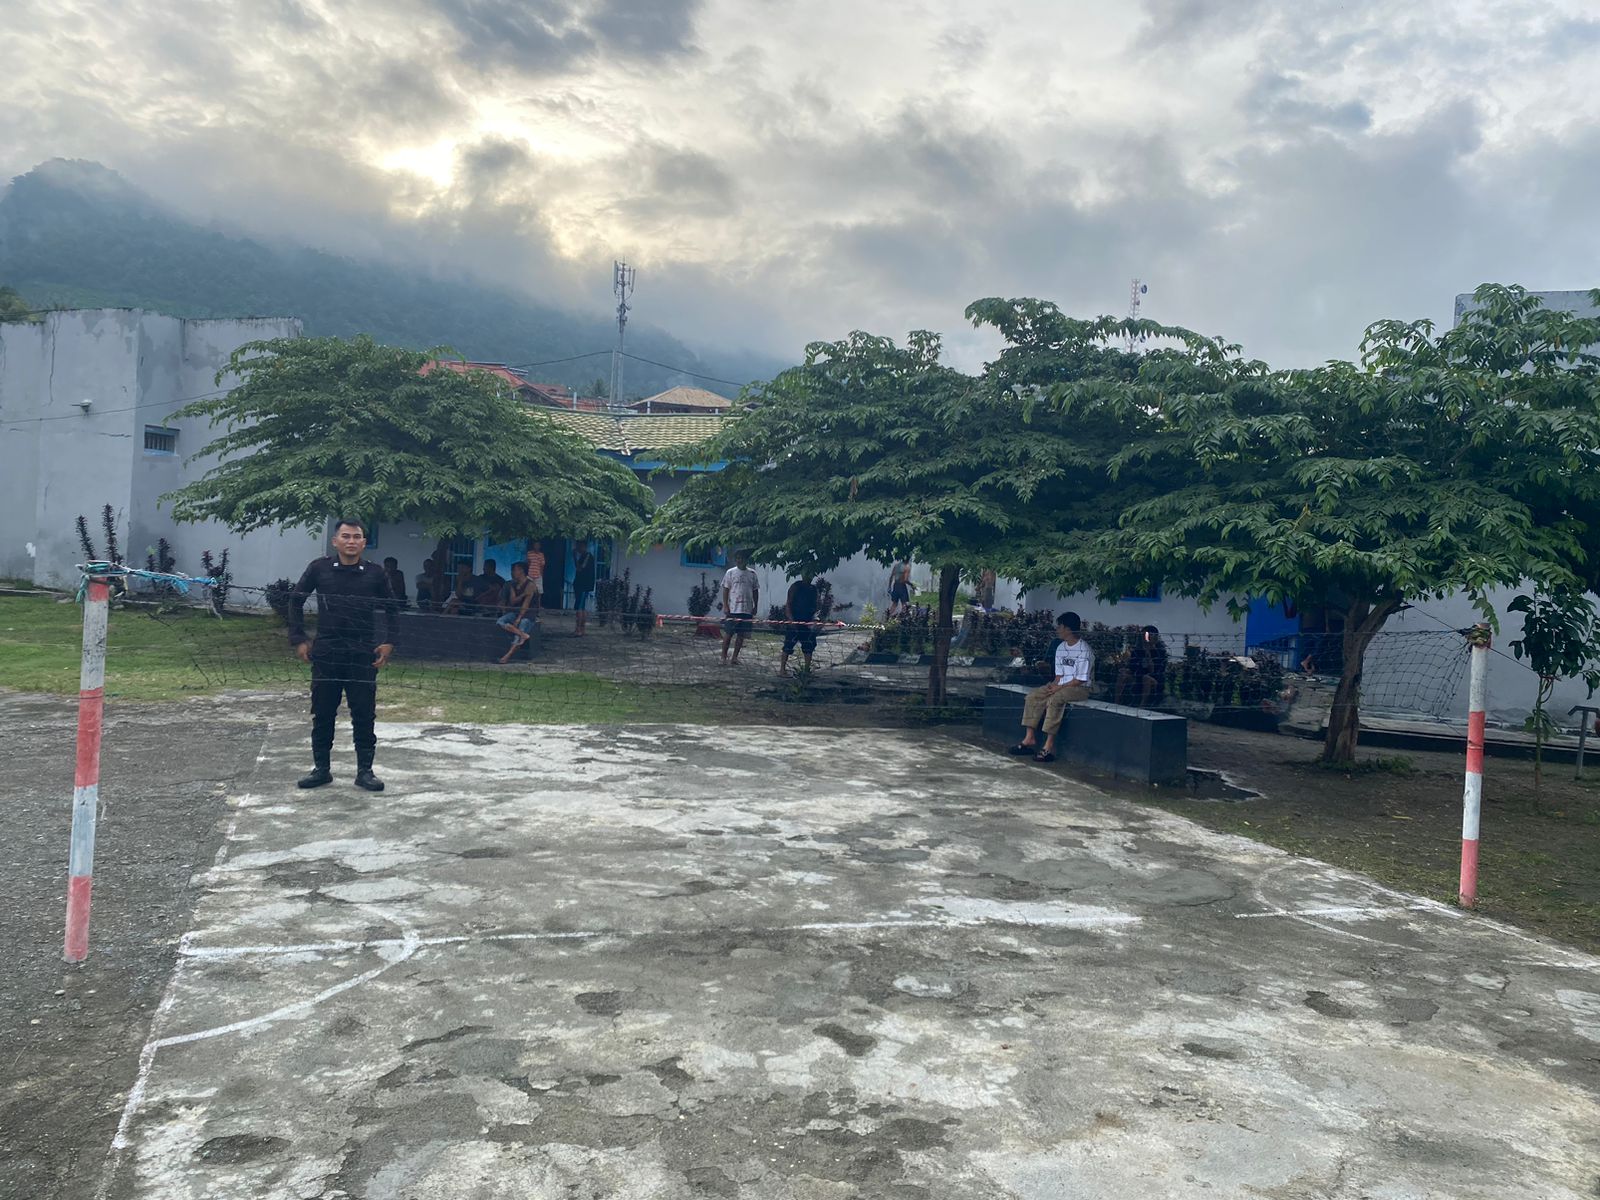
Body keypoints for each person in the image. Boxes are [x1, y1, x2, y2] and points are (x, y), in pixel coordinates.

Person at [287, 519, 398, 792]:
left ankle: (365, 772)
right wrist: (299, 638)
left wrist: (389, 642)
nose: (351, 541)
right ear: (335, 541)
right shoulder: (319, 568)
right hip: (327, 653)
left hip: (362, 654)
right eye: (346, 536)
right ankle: (321, 770)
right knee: (323, 713)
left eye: (356, 537)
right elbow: (295, 600)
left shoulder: (375, 573)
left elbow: (393, 608)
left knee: (364, 714)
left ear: (364, 542)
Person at [1010, 612, 1093, 763]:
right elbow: (1059, 676)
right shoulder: (1061, 647)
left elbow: (1080, 679)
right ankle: (1029, 738)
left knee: (1054, 700)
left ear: (1068, 628)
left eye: (1060, 626)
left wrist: (1058, 688)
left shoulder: (1084, 650)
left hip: (1079, 688)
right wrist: (1053, 685)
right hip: (1062, 685)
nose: (1057, 629)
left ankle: (1049, 746)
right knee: (1033, 697)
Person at [720, 550, 760, 665]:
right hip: (733, 609)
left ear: (746, 560)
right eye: (737, 558)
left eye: (742, 558)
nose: (739, 560)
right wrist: (726, 605)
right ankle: (723, 657)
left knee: (741, 635)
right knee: (728, 633)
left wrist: (755, 606)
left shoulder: (752, 574)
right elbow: (726, 589)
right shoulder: (730, 572)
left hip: (747, 609)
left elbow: (755, 591)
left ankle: (734, 658)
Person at [495, 561, 539, 663]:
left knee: (522, 625)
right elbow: (513, 601)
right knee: (500, 621)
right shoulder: (513, 584)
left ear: (521, 571)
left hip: (528, 614)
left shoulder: (530, 585)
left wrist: (519, 618)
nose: (512, 573)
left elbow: (526, 604)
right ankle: (523, 635)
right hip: (514, 612)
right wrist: (522, 594)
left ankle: (507, 656)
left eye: (514, 570)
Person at [1116, 625, 1168, 708]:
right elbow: (1133, 667)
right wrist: (1126, 669)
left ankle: (1142, 706)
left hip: (1154, 679)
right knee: (1122, 676)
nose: (1145, 638)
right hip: (1138, 677)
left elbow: (1153, 671)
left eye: (1148, 635)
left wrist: (1148, 653)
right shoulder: (1137, 651)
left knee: (1146, 678)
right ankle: (1117, 702)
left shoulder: (1160, 652)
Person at [780, 574, 819, 675]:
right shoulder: (796, 586)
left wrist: (814, 619)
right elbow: (788, 603)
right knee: (788, 645)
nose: (809, 577)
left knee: (808, 647)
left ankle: (806, 670)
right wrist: (790, 619)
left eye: (811, 575)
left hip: (807, 622)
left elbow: (816, 605)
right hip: (794, 620)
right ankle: (782, 669)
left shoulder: (813, 589)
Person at [572, 544, 596, 636]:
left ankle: (579, 629)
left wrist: (574, 557)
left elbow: (580, 568)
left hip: (583, 585)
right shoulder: (584, 556)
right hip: (581, 585)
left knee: (580, 607)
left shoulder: (587, 556)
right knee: (581, 607)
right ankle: (581, 629)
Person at [524, 540, 547, 611]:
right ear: (533, 546)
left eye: (538, 545)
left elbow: (542, 566)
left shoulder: (541, 555)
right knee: (528, 591)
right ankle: (527, 605)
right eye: (535, 545)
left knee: (539, 592)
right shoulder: (529, 553)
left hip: (538, 575)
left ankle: (538, 606)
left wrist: (541, 575)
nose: (536, 546)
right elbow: (528, 563)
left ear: (540, 546)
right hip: (530, 575)